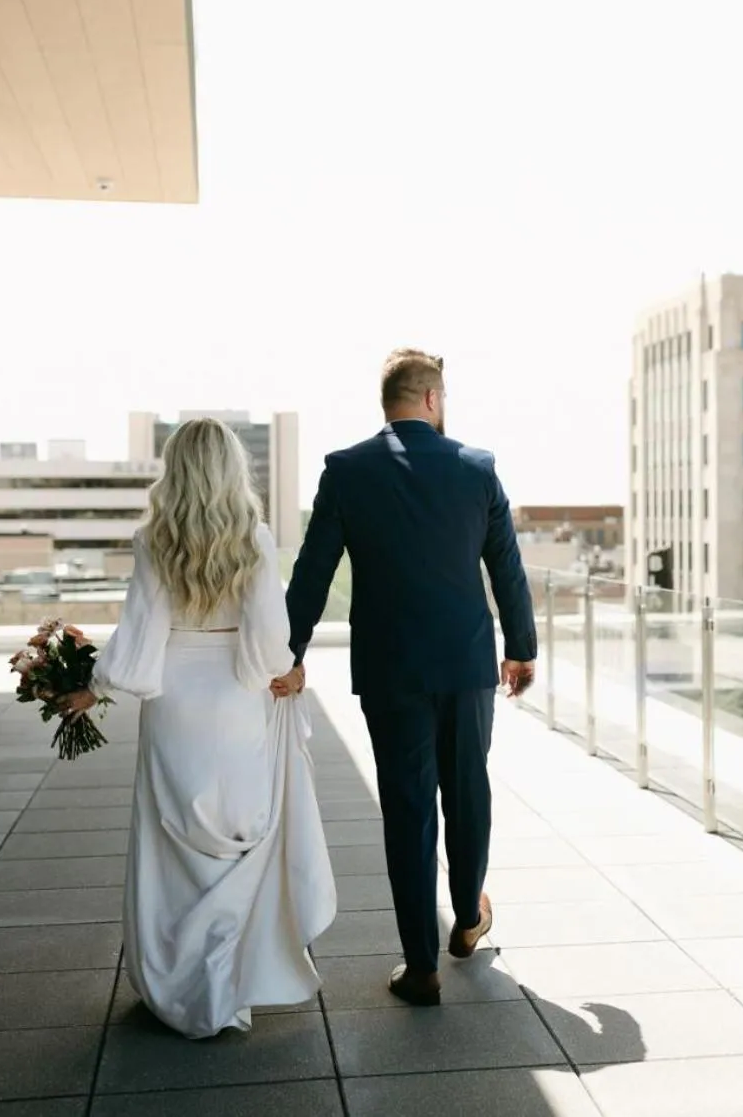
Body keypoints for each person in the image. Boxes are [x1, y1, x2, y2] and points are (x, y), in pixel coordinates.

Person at [57, 418, 335, 1039]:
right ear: (233, 469)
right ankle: (226, 981)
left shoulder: (152, 537)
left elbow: (139, 630)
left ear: (174, 470)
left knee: (173, 845)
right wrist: (283, 669)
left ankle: (183, 985)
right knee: (237, 836)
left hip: (176, 701)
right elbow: (268, 634)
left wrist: (93, 686)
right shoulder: (255, 537)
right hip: (237, 698)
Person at [281, 348, 536, 1006]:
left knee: (406, 808)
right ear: (431, 398)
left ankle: (420, 965)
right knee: (466, 789)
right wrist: (521, 648)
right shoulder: (477, 470)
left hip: (390, 665)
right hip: (465, 662)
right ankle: (469, 915)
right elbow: (505, 567)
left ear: (387, 401)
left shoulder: (346, 470)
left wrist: (288, 648)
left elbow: (313, 571)